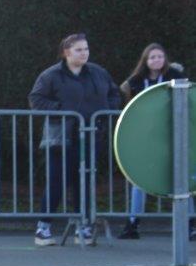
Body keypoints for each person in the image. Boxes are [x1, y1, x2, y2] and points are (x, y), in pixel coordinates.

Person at [29, 33, 121, 246]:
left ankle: (84, 227)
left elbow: (114, 94)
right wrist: (61, 111)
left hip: (91, 135)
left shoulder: (98, 73)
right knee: (57, 181)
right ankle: (43, 228)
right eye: (79, 49)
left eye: (86, 49)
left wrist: (107, 110)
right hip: (61, 138)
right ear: (66, 52)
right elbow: (36, 99)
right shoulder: (51, 75)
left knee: (86, 182)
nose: (84, 53)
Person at [117, 43, 193, 239]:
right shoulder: (137, 80)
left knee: (183, 179)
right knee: (139, 179)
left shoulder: (173, 76)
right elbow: (125, 93)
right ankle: (133, 223)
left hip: (172, 135)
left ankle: (191, 223)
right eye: (152, 57)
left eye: (160, 56)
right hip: (146, 138)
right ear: (146, 60)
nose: (156, 60)